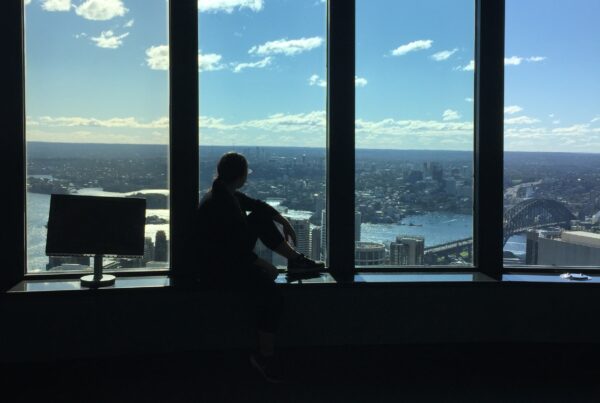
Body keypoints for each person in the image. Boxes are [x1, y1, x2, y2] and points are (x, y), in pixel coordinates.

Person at [195, 152, 324, 383]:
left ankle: (294, 260)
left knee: (258, 218)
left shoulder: (223, 193)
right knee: (273, 298)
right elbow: (230, 251)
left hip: (220, 264)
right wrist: (264, 265)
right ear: (242, 175)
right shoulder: (223, 203)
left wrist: (281, 219)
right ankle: (265, 357)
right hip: (219, 270)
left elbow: (256, 206)